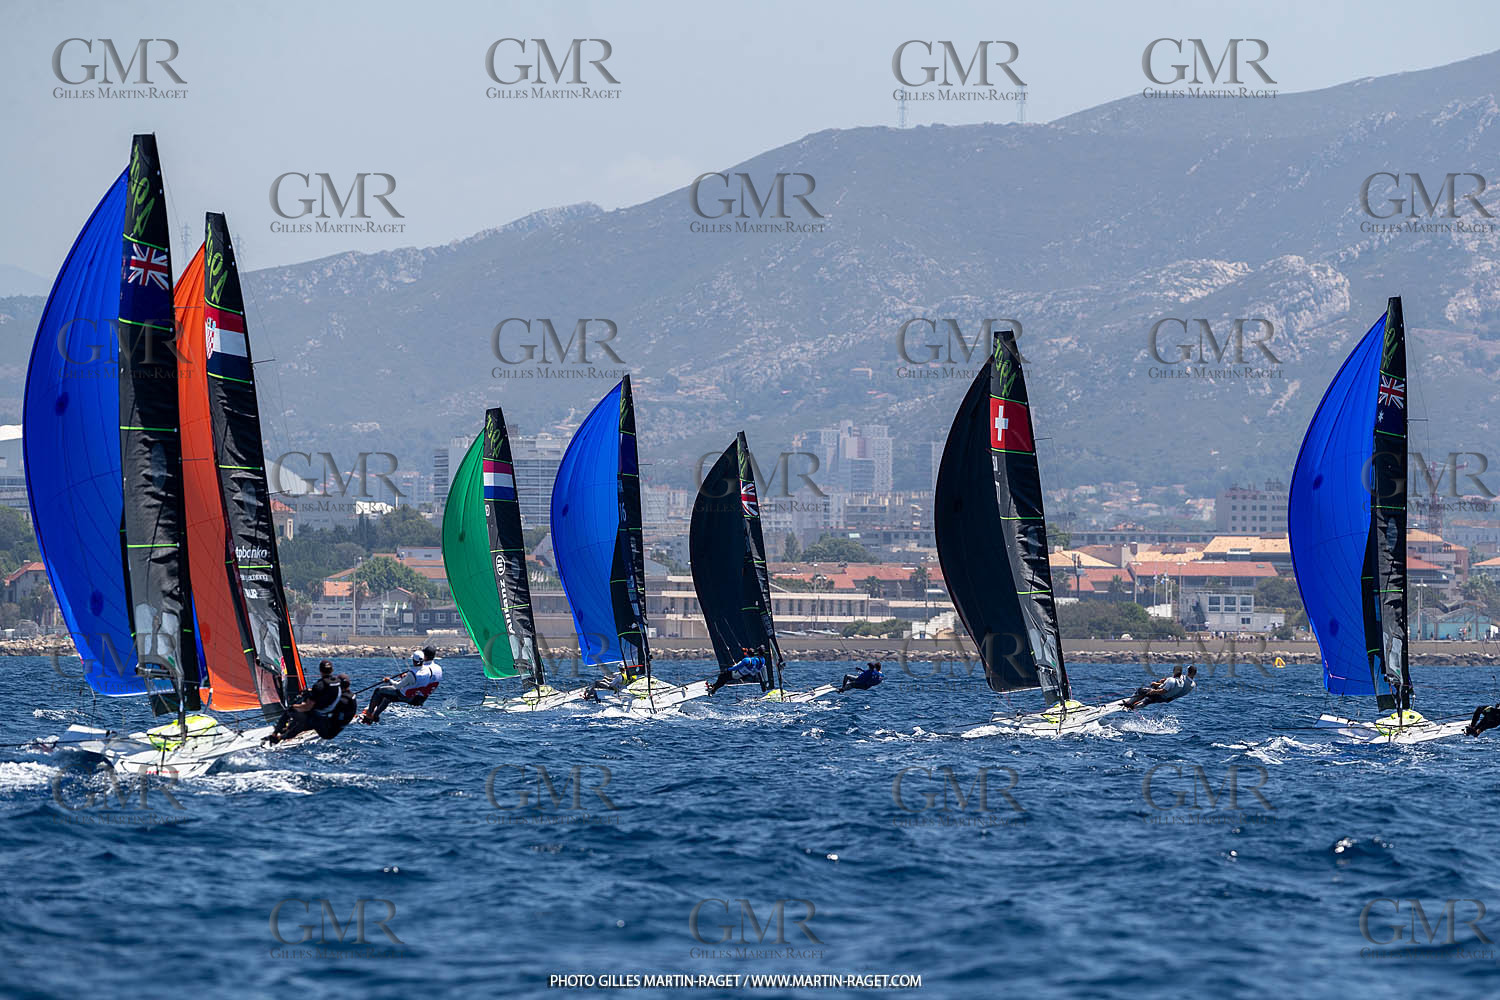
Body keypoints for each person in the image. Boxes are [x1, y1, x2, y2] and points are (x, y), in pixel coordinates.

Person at [267, 659, 339, 743]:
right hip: (329, 716)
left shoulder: (319, 685)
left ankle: (276, 735)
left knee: (292, 712)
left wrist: (295, 707)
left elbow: (307, 707)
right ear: (332, 670)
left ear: (320, 670)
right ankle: (285, 733)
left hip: (316, 718)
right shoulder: (337, 682)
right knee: (300, 718)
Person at [361, 650, 444, 724]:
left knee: (378, 691)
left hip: (402, 695)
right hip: (412, 697)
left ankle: (369, 714)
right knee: (387, 698)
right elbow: (416, 681)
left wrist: (389, 680)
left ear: (414, 661)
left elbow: (398, 686)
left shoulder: (412, 673)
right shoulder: (428, 671)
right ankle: (375, 716)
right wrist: (406, 678)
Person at [1123, 665, 1196, 711]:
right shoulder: (1191, 684)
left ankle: (1129, 703)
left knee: (1141, 691)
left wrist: (1154, 691)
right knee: (1148, 700)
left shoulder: (1175, 679)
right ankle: (1134, 707)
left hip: (1162, 694)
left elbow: (1164, 689)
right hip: (1169, 698)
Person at [314, 674, 360, 739]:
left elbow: (326, 708)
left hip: (329, 731)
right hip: (339, 723)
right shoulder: (350, 695)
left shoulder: (343, 700)